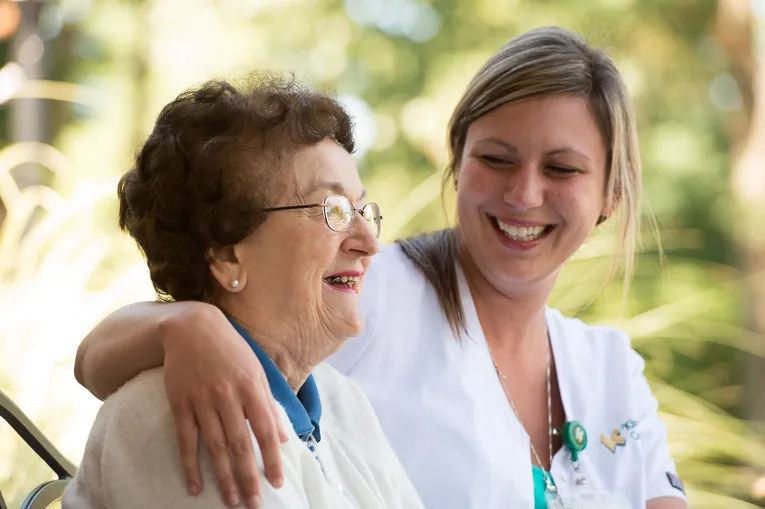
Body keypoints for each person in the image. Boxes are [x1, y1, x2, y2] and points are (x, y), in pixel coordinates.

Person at [73, 27, 688, 509]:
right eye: (497, 159)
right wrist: (184, 325)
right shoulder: (372, 297)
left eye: (562, 169)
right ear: (458, 160)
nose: (525, 194)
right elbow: (108, 357)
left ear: (612, 195)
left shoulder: (606, 368)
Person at [63, 75, 424, 509]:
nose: (368, 242)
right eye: (333, 210)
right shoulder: (187, 410)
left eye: (361, 208)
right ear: (227, 255)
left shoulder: (338, 399)